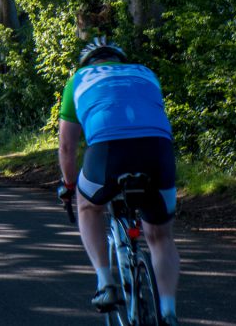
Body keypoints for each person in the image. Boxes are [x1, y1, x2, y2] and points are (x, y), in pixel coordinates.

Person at [57, 36, 180, 326]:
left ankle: (105, 283)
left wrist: (70, 185)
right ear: (119, 60)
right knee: (161, 237)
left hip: (109, 151)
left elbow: (67, 147)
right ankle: (169, 312)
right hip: (158, 151)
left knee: (89, 207)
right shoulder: (145, 72)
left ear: (88, 63)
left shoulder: (79, 79)